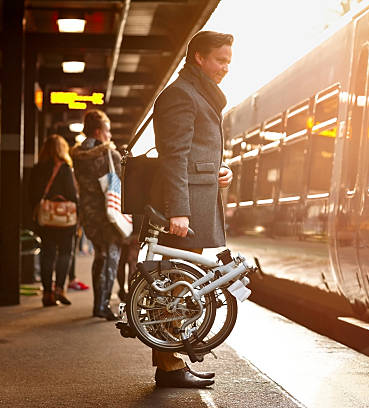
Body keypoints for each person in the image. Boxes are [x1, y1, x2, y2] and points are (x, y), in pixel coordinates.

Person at [149, 30, 234, 389]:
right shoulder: (182, 95)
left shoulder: (196, 93)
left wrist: (219, 171)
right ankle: (168, 366)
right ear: (198, 56)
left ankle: (170, 361)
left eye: (229, 62)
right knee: (176, 286)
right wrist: (178, 211)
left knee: (180, 285)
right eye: (220, 60)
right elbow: (174, 157)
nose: (225, 68)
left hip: (196, 202)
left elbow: (196, 154)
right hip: (185, 212)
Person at [70, 109, 123, 321]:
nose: (109, 136)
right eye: (108, 131)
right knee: (112, 256)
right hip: (107, 214)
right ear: (99, 131)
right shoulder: (110, 154)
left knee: (99, 254)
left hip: (88, 213)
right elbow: (119, 185)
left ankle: (97, 303)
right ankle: (103, 305)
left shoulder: (77, 156)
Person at [28, 134, 78, 307]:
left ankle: (47, 293)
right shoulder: (65, 169)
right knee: (65, 253)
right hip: (64, 220)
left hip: (46, 219)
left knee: (47, 254)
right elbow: (72, 195)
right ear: (62, 149)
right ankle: (59, 289)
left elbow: (31, 194)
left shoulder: (37, 168)